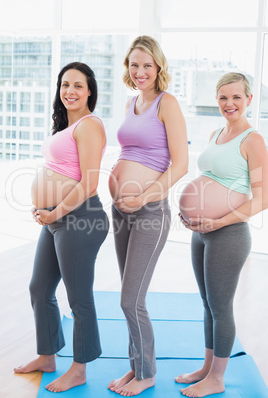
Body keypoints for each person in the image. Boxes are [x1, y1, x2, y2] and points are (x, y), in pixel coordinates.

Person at [14, 62, 109, 393]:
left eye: (78, 85)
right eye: (65, 84)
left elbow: (90, 183)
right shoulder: (64, 127)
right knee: (39, 288)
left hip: (80, 217)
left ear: (90, 91)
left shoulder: (89, 125)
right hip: (56, 218)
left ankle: (80, 370)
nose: (70, 91)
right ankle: (47, 357)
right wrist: (45, 206)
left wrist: (56, 212)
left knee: (79, 298)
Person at [177, 72, 268, 397]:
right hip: (201, 232)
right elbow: (210, 178)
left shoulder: (253, 140)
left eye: (236, 97)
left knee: (220, 305)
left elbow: (263, 197)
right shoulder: (217, 133)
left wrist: (218, 221)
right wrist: (189, 211)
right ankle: (206, 368)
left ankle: (217, 379)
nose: (229, 104)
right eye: (223, 98)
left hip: (229, 234)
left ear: (248, 100)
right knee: (206, 303)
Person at [107, 35, 188, 396]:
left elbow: (181, 163)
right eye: (134, 64)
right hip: (121, 211)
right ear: (128, 67)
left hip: (150, 211)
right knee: (128, 293)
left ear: (159, 68)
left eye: (147, 65)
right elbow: (129, 151)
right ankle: (135, 366)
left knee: (130, 300)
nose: (140, 71)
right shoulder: (130, 103)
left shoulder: (166, 103)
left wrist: (145, 196)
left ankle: (148, 373)